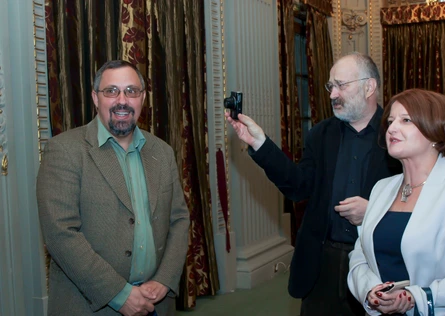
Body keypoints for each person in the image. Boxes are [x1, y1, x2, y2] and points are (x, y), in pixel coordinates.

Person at [225, 52, 400, 315]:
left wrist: (374, 212)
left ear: (369, 87)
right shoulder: (320, 134)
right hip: (322, 264)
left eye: (342, 85)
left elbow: (418, 200)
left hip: (377, 264)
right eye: (331, 86)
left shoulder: (397, 135)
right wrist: (259, 143)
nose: (332, 94)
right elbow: (298, 187)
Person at [37, 60, 190, 315]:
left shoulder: (162, 152)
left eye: (131, 91)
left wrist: (165, 279)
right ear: (96, 98)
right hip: (92, 305)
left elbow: (179, 219)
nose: (122, 100)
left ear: (142, 98)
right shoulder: (64, 151)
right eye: (112, 91)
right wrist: (119, 294)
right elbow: (61, 234)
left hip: (156, 302)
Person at [348, 89, 445, 315]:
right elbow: (360, 255)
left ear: (436, 132)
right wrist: (372, 293)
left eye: (406, 120)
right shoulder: (381, 188)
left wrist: (416, 297)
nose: (392, 128)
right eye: (390, 121)